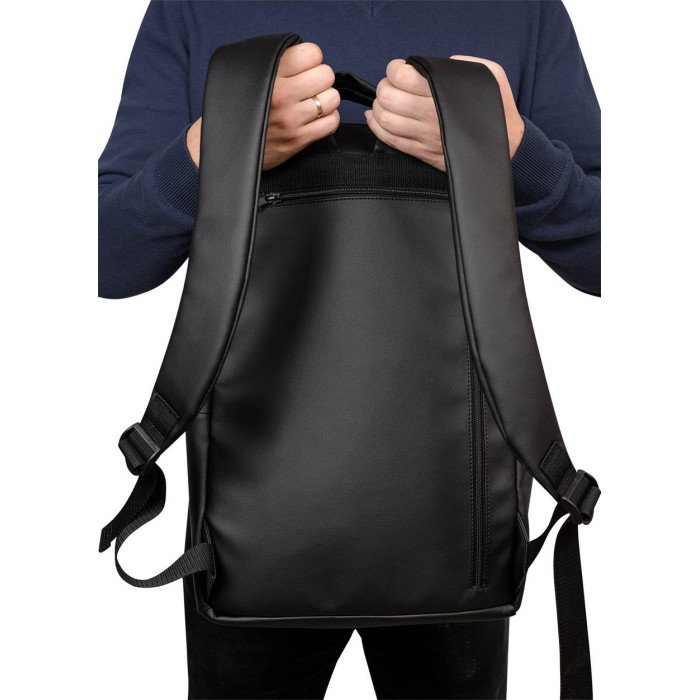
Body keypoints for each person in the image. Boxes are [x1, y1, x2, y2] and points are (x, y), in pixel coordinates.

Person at [98, 2, 600, 698]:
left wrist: (511, 150)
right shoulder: (192, 9)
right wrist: (220, 146)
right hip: (254, 528)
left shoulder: (523, 11)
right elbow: (106, 258)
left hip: (457, 521)